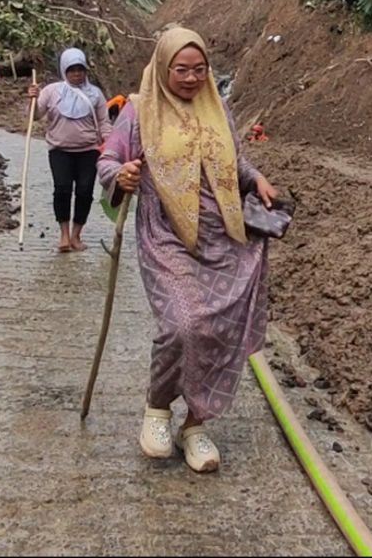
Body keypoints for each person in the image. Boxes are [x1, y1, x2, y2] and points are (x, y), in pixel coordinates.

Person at [97, 26, 278, 474]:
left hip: (225, 238)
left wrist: (255, 178)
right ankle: (157, 409)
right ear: (163, 68)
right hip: (167, 236)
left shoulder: (217, 108)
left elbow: (233, 160)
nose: (192, 78)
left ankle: (195, 425)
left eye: (200, 70)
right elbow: (108, 159)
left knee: (219, 330)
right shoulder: (140, 110)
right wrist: (121, 175)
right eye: (182, 69)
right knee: (183, 324)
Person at [27, 48, 110, 253]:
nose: (76, 74)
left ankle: (76, 235)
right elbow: (35, 116)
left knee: (84, 191)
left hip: (89, 150)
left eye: (80, 69)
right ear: (64, 70)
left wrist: (109, 144)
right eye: (72, 70)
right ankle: (63, 234)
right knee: (62, 189)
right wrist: (32, 100)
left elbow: (104, 122)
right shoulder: (51, 91)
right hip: (59, 150)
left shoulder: (95, 94)